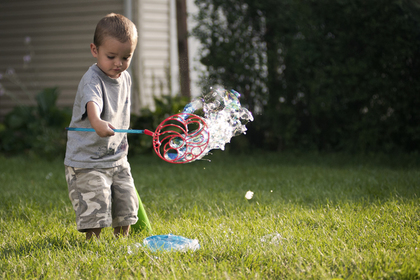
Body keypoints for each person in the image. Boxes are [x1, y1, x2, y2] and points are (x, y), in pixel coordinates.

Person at [64, 13, 139, 240]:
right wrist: (96, 122)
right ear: (95, 50)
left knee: (126, 204)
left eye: (126, 57)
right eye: (111, 56)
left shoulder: (124, 77)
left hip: (116, 158)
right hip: (87, 161)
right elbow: (92, 103)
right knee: (96, 207)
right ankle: (92, 244)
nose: (119, 63)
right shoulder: (92, 79)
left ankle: (121, 241)